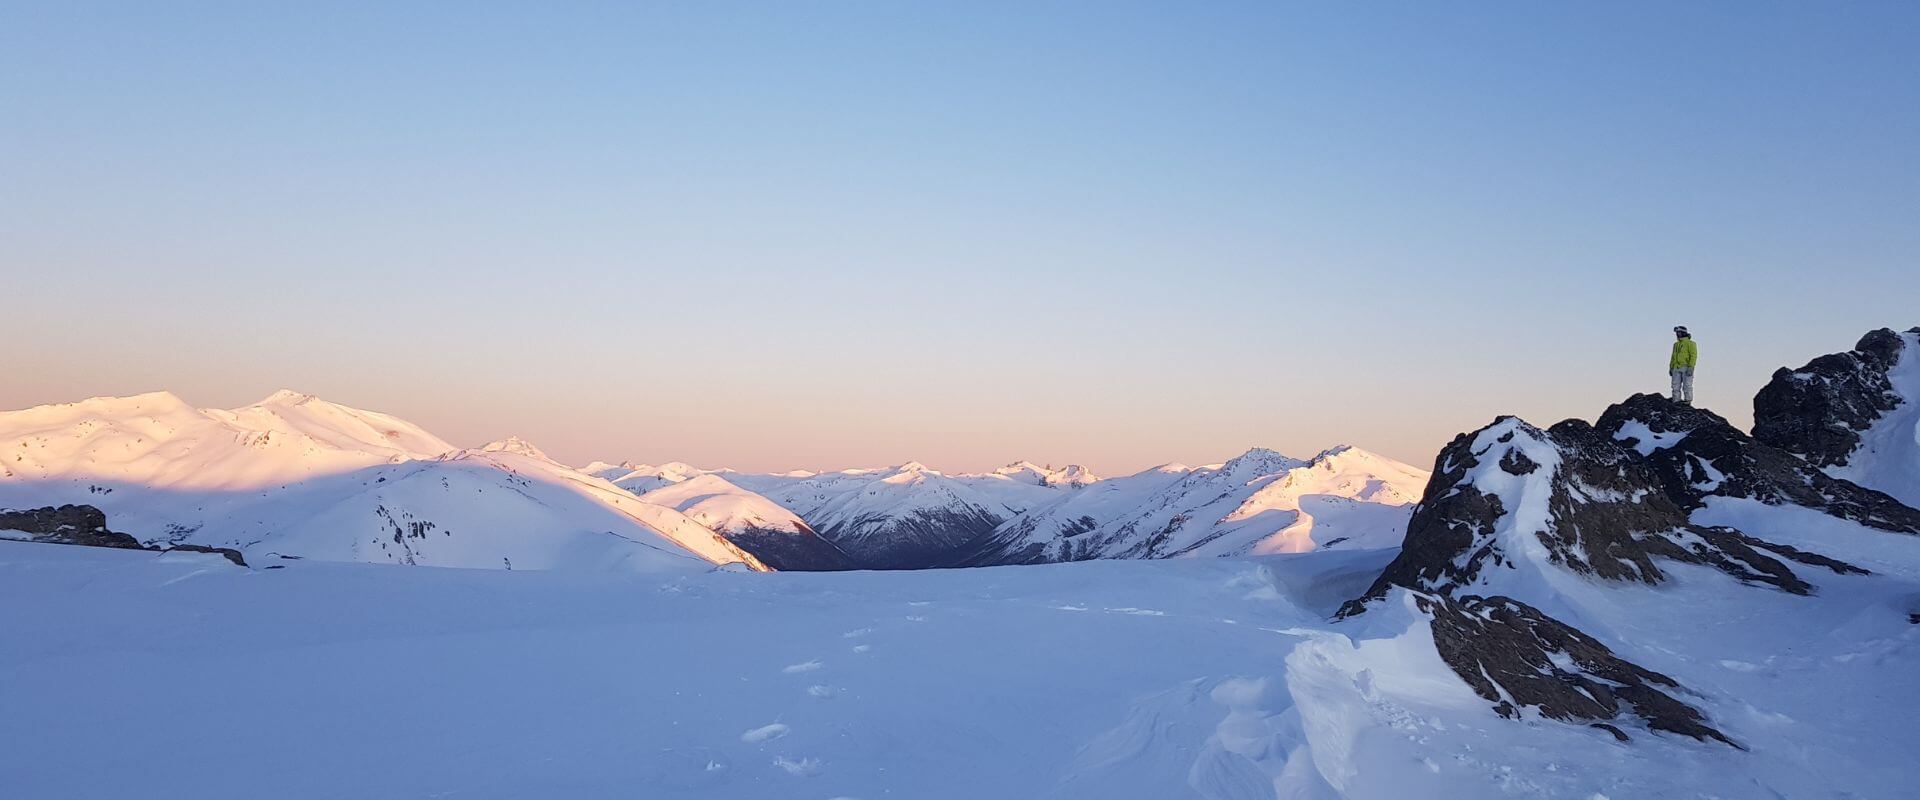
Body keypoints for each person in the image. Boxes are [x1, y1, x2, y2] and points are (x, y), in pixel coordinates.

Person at [1669, 326, 1698, 405]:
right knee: (1675, 385)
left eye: (1679, 332)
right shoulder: (1676, 345)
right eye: (1677, 333)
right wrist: (1671, 367)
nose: (1677, 334)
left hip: (1686, 367)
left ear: (1683, 333)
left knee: (1687, 385)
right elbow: (1673, 356)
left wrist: (1691, 367)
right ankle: (1676, 400)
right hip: (1676, 367)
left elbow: (1693, 355)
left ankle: (1687, 401)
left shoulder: (1691, 343)